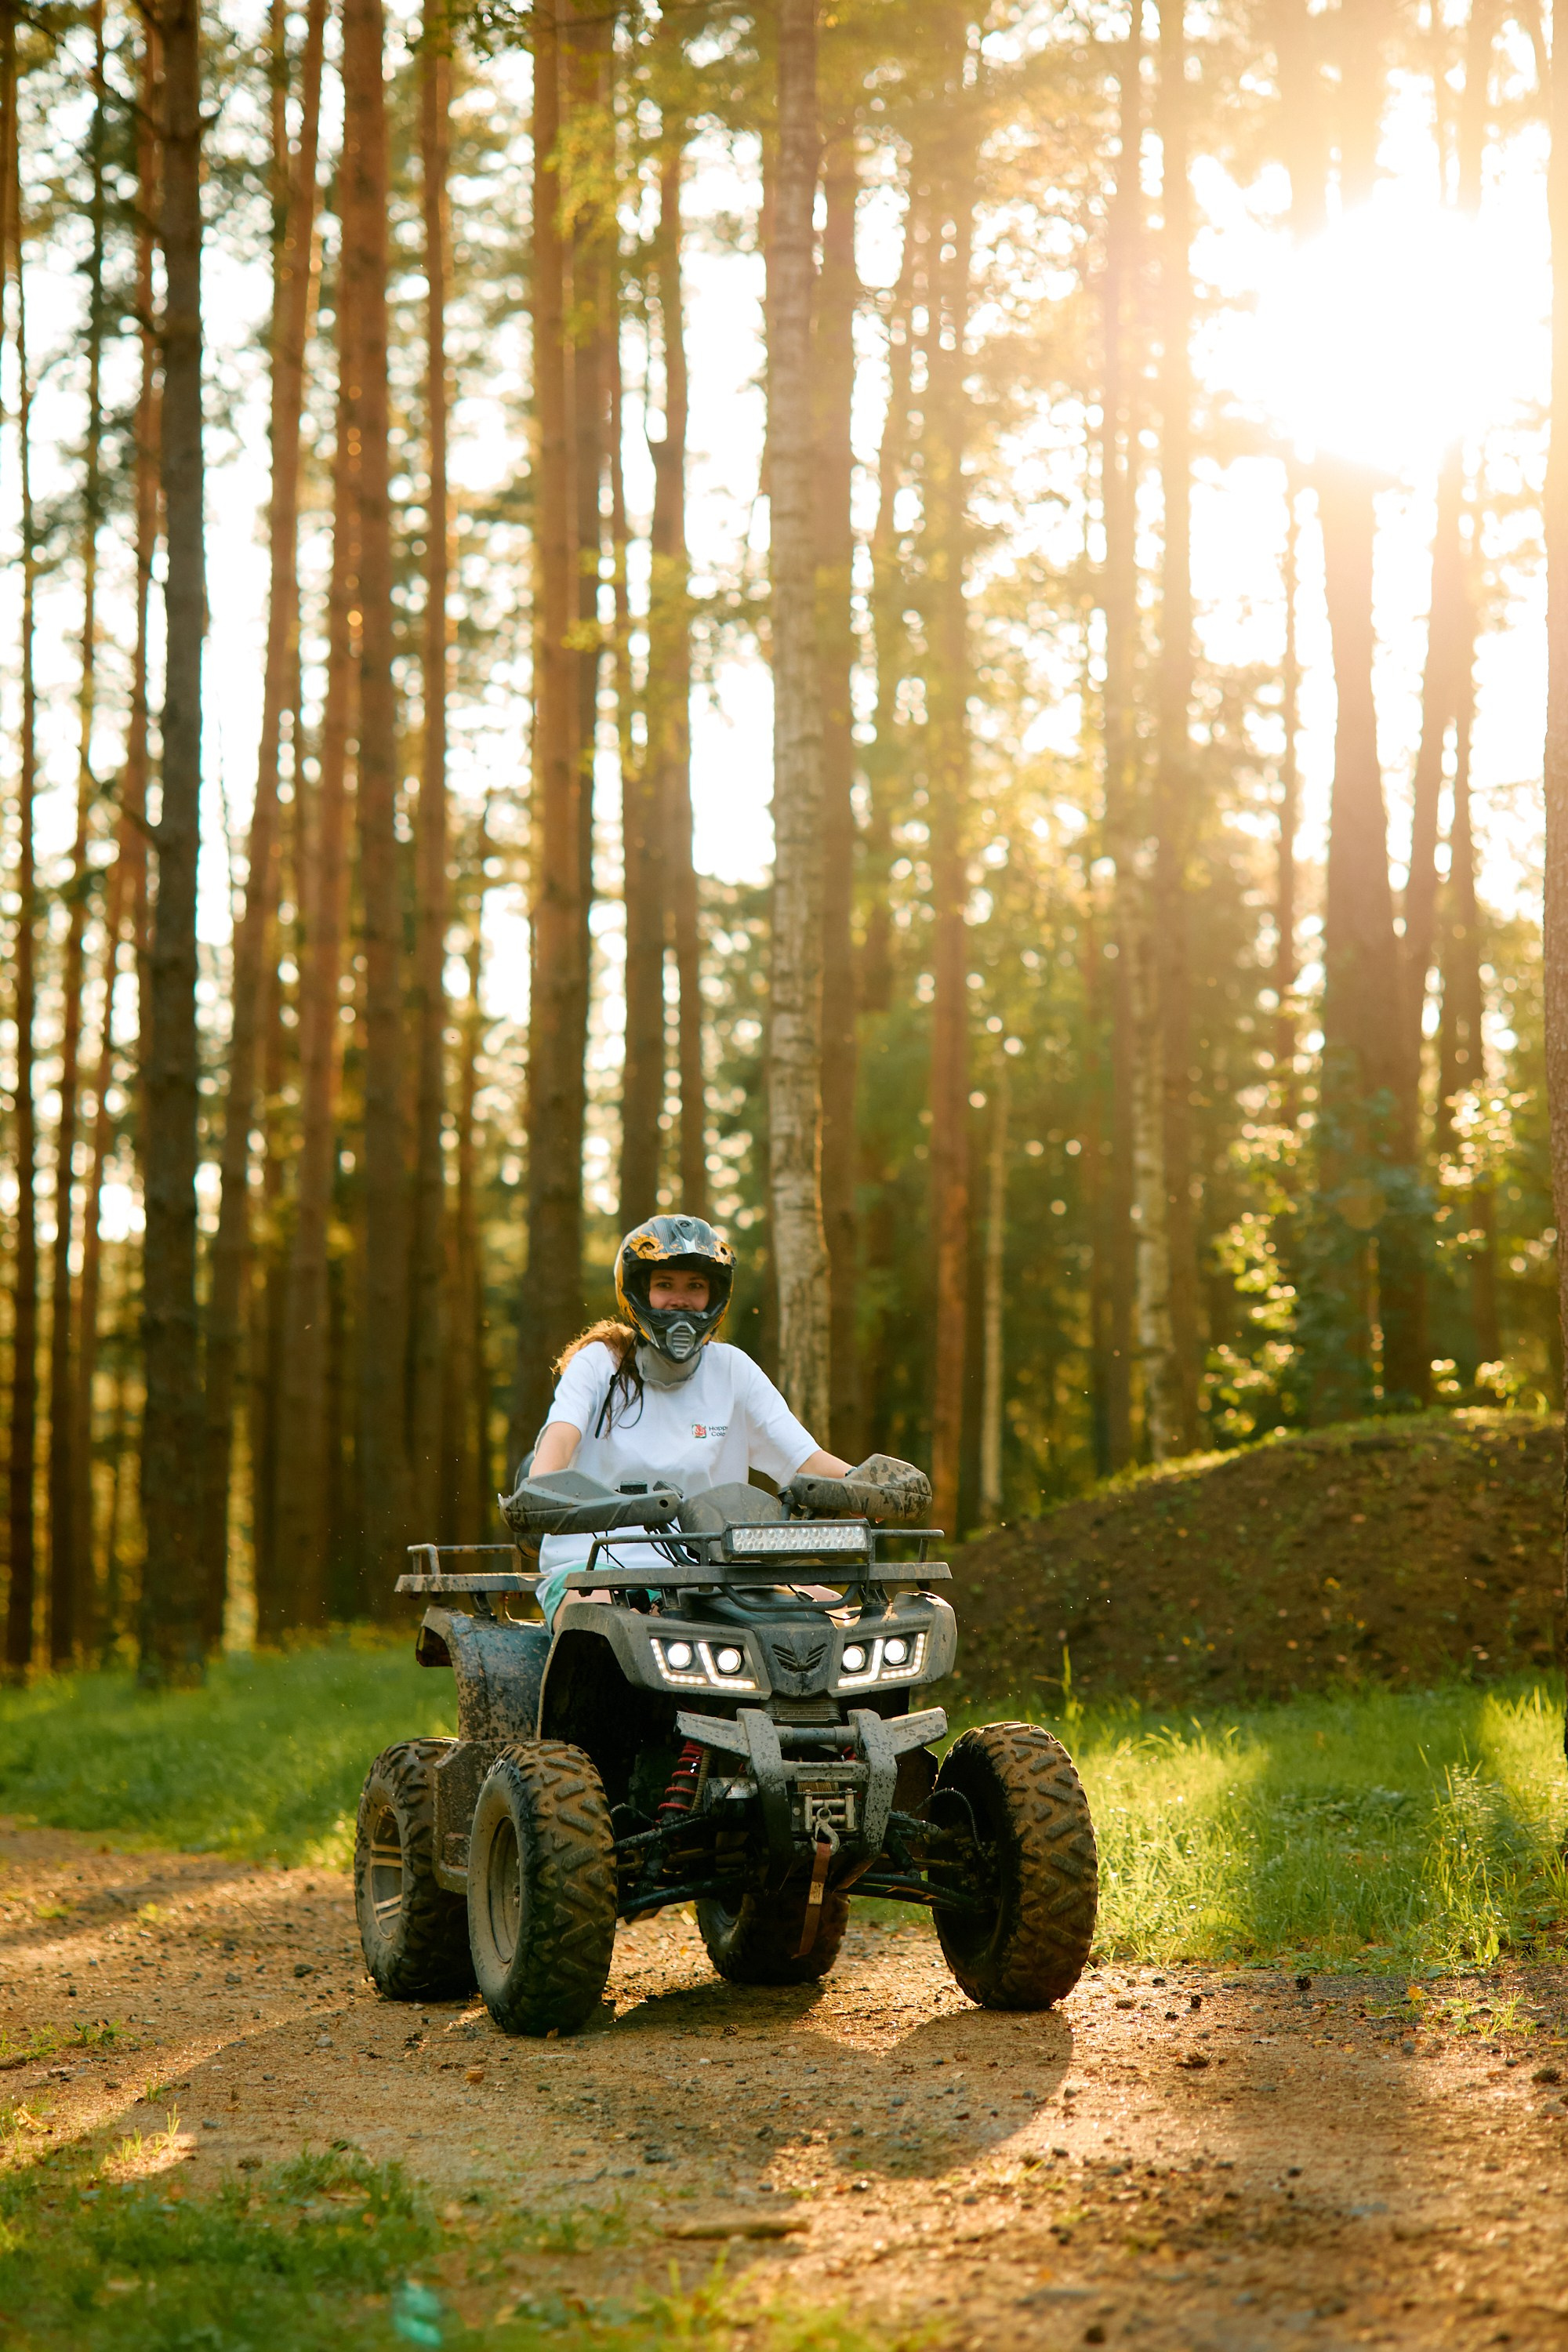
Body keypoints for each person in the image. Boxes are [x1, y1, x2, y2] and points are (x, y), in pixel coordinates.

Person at [526, 1214, 853, 1625]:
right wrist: (539, 1488)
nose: (680, 1301)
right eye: (665, 1285)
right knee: (609, 1633)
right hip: (596, 1573)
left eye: (695, 1287)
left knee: (837, 1616)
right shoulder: (599, 1363)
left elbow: (804, 1459)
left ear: (714, 1296)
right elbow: (561, 1436)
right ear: (638, 1292)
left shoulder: (733, 1368)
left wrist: (865, 1484)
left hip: (718, 1575)